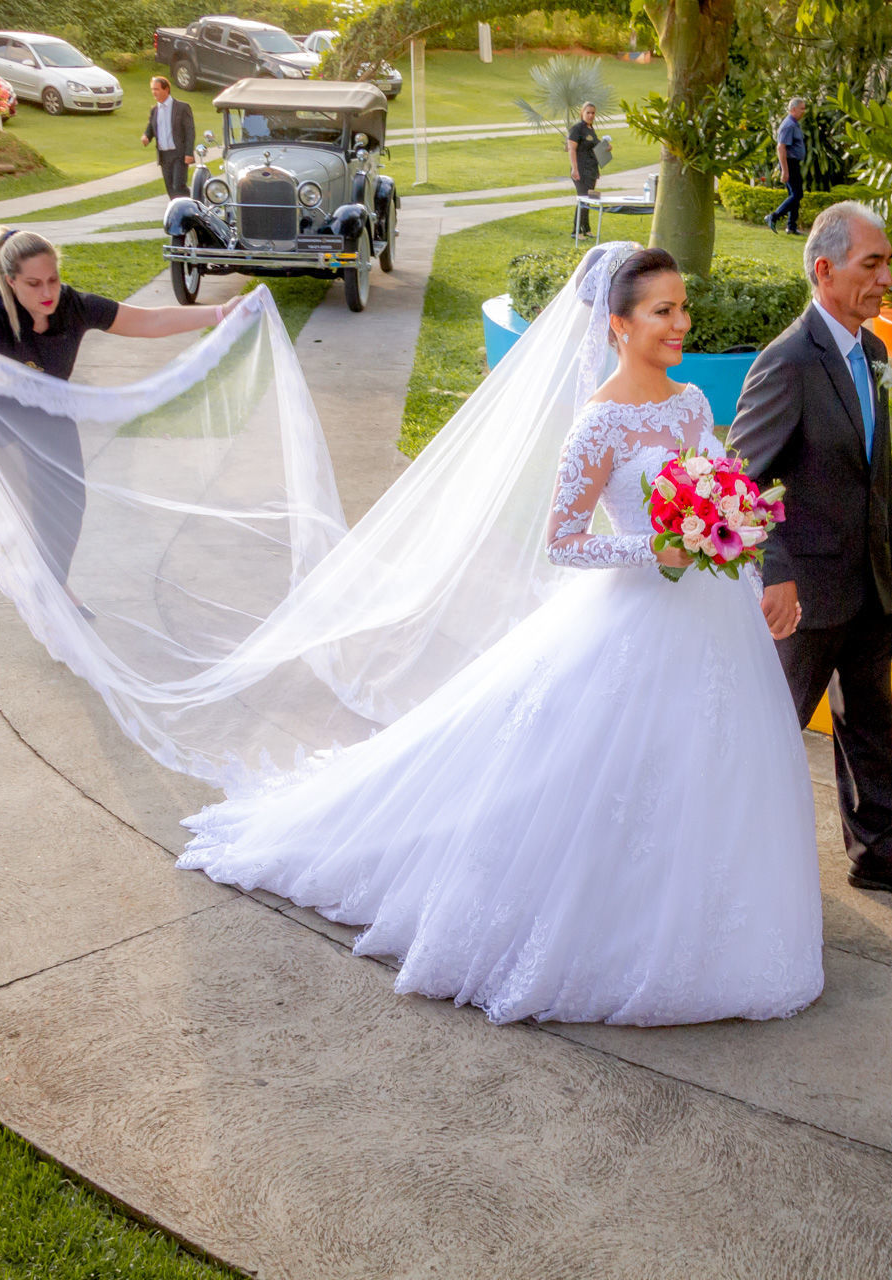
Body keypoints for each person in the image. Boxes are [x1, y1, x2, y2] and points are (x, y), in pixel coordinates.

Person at [174, 245, 827, 1026]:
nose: (681, 323)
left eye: (683, 308)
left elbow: (719, 485)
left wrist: (736, 533)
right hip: (636, 613)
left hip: (710, 619)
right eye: (663, 311)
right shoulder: (599, 425)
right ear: (618, 324)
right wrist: (655, 548)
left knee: (708, 766)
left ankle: (713, 914)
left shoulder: (689, 404)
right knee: (609, 778)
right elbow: (564, 540)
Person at [728, 202, 892, 899]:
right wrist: (777, 571)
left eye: (887, 262)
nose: (887, 277)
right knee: (771, 728)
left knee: (869, 720)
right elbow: (740, 479)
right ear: (825, 271)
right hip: (804, 593)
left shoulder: (875, 353)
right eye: (872, 264)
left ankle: (877, 853)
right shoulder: (789, 361)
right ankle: (727, 858)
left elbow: (874, 471)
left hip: (863, 581)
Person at [0, 226, 239, 598]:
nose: (47, 292)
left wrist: (220, 312)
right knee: (23, 503)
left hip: (46, 406)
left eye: (52, 279)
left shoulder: (73, 307)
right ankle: (49, 591)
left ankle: (52, 579)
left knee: (69, 499)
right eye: (33, 284)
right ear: (11, 282)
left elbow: (149, 321)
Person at [142, 76, 197, 199]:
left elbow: (190, 131)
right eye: (152, 89)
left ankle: (187, 210)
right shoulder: (155, 110)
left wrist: (189, 153)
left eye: (156, 89)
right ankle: (176, 212)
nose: (153, 92)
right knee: (170, 187)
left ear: (166, 89)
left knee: (179, 186)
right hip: (164, 155)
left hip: (179, 154)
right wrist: (146, 136)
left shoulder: (182, 108)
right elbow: (151, 127)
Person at [766, 98, 807, 235]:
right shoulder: (789, 125)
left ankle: (791, 226)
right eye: (801, 108)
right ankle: (773, 216)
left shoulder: (794, 124)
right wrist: (784, 170)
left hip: (793, 163)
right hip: (789, 163)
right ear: (793, 109)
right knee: (797, 194)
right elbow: (781, 147)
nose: (804, 111)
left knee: (794, 194)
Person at [567, 101, 601, 237]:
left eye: (593, 113)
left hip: (592, 170)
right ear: (582, 113)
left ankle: (586, 229)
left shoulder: (591, 129)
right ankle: (576, 231)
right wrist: (575, 169)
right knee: (583, 199)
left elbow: (595, 146)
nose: (591, 115)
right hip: (580, 169)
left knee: (590, 199)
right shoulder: (577, 129)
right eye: (588, 113)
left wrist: (607, 147)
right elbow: (571, 149)